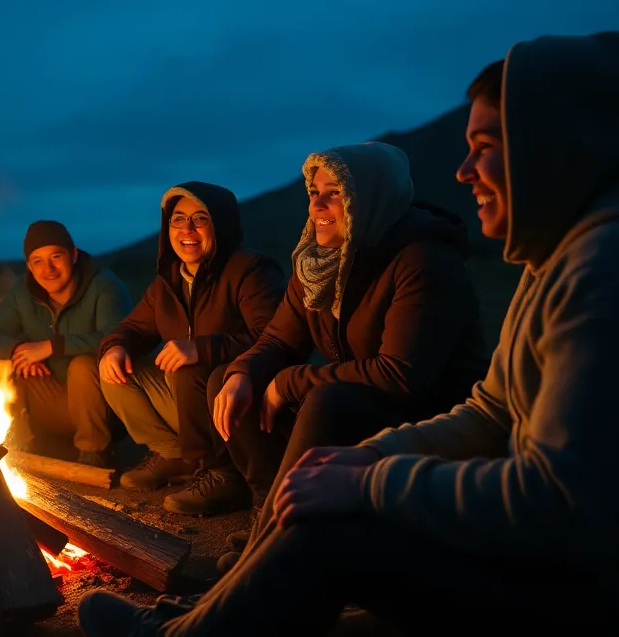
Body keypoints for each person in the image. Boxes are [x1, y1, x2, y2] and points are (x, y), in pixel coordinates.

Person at [77, 30, 619, 636]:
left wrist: (369, 480)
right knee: (294, 427)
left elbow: (561, 510)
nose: (461, 173)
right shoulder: (561, 263)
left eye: (484, 149)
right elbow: (491, 410)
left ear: (558, 144)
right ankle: (236, 584)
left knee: (330, 503)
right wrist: (351, 450)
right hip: (553, 543)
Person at [209, 142, 489, 572]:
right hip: (366, 397)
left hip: (430, 417)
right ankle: (270, 511)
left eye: (334, 192)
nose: (317, 204)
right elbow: (279, 341)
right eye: (313, 192)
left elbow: (401, 375)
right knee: (229, 385)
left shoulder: (422, 259)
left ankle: (274, 551)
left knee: (326, 399)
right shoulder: (317, 263)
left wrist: (291, 382)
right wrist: (242, 372)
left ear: (371, 196)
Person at [99, 182, 285, 515]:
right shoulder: (169, 280)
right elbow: (132, 328)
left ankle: (222, 473)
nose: (187, 229)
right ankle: (176, 456)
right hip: (193, 402)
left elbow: (275, 337)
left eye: (200, 219)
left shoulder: (250, 270)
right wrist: (115, 346)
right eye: (178, 219)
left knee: (190, 369)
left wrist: (201, 349)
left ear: (221, 224)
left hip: (239, 398)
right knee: (116, 369)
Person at [0, 220, 132, 466]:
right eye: (38, 261)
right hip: (55, 403)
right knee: (3, 364)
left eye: (56, 257)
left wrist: (51, 346)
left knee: (83, 365)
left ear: (73, 255)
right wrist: (18, 351)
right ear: (29, 265)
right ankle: (16, 450)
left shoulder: (105, 286)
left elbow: (118, 336)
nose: (48, 268)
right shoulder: (24, 291)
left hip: (108, 407)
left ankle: (94, 455)